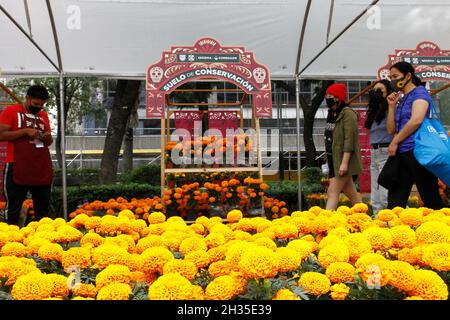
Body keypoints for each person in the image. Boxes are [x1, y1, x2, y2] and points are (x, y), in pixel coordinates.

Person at [386, 61, 443, 209]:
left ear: (408, 76)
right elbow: (391, 130)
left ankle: (442, 229)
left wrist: (395, 142)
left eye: (395, 76)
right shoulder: (402, 98)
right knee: (395, 201)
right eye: (390, 77)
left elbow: (416, 120)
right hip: (402, 153)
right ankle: (394, 230)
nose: (392, 80)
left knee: (430, 198)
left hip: (419, 151)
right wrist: (391, 106)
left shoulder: (420, 93)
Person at [0, 85, 54, 226]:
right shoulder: (11, 111)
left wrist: (46, 136)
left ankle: (42, 240)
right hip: (17, 164)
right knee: (13, 209)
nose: (39, 107)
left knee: (43, 209)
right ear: (27, 98)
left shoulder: (43, 115)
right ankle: (9, 239)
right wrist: (25, 132)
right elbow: (1, 135)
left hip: (41, 167)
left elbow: (49, 141)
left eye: (42, 105)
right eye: (36, 104)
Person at [324, 83, 363, 211]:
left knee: (332, 192)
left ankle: (325, 223)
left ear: (338, 98)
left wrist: (344, 163)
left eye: (330, 96)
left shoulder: (348, 114)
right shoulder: (332, 113)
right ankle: (364, 215)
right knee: (350, 192)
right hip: (333, 159)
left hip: (342, 160)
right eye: (327, 95)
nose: (327, 98)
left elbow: (349, 140)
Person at [364, 80, 393, 215]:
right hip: (375, 151)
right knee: (375, 192)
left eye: (380, 90)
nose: (376, 93)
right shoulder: (374, 111)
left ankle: (395, 219)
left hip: (386, 150)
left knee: (385, 192)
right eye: (374, 90)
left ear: (388, 91)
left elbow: (394, 129)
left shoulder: (391, 108)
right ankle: (378, 219)